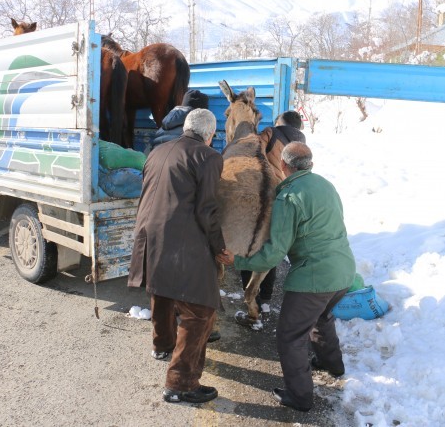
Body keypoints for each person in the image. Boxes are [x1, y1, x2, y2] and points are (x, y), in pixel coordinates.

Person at [217, 142, 356, 412]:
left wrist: (239, 261)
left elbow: (274, 254)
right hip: (345, 271)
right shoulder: (326, 185)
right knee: (322, 316)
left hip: (314, 279)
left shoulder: (288, 197)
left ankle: (300, 396)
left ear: (282, 165)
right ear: (311, 165)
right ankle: (332, 364)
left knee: (290, 336)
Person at [128, 108, 225, 404]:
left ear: (185, 128)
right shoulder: (208, 157)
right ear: (209, 135)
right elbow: (207, 209)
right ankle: (180, 384)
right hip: (182, 242)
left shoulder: (156, 152)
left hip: (149, 238)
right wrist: (220, 247)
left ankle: (162, 346)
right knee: (200, 312)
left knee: (162, 292)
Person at [236, 110, 307, 320]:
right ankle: (266, 299)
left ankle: (252, 299)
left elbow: (250, 150)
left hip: (262, 195)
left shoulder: (271, 132)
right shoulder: (302, 143)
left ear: (279, 122)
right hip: (284, 194)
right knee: (271, 247)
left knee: (249, 246)